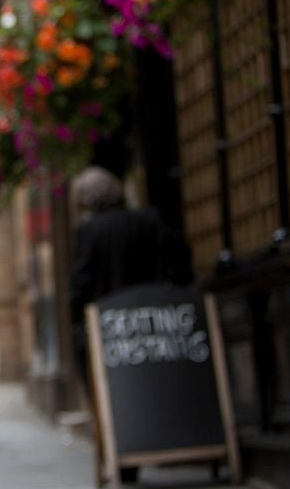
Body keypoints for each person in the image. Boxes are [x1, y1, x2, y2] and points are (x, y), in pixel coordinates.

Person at [68, 165, 193, 485]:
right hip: (155, 324)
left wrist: (75, 316)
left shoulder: (89, 231)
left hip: (110, 330)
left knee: (112, 391)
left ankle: (124, 455)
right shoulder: (149, 220)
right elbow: (180, 258)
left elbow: (82, 283)